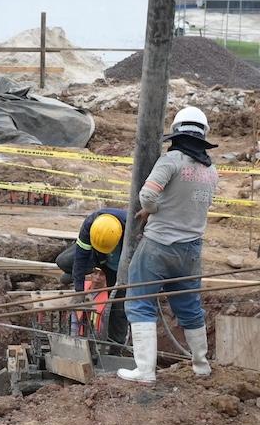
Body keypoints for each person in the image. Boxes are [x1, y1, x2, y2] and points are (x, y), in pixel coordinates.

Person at [118, 106, 219, 384]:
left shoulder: (171, 160)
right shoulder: (211, 170)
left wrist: (151, 209)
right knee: (189, 306)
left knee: (140, 301)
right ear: (203, 135)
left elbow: (147, 195)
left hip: (159, 244)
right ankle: (201, 365)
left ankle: (145, 371)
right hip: (191, 249)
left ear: (176, 132)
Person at [55, 208, 129, 345]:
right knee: (64, 261)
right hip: (97, 256)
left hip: (118, 268)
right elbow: (80, 257)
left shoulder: (132, 228)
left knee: (118, 307)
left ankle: (116, 346)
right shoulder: (90, 225)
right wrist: (79, 290)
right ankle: (79, 273)